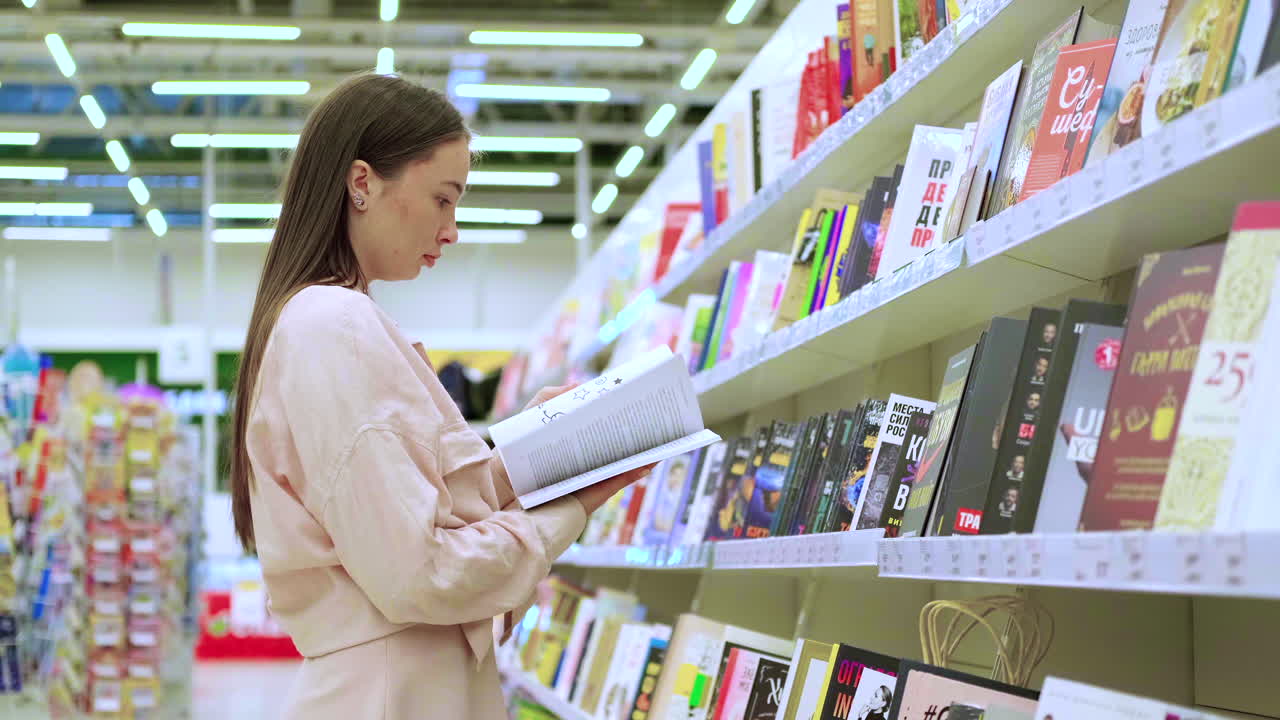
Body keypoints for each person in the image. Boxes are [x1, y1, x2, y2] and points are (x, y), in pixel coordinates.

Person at [227, 74, 651, 719]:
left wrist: (527, 448)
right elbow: (421, 572)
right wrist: (572, 506)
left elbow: (415, 508)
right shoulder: (332, 324)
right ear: (362, 182)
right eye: (442, 200)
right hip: (394, 687)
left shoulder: (334, 320)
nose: (451, 231)